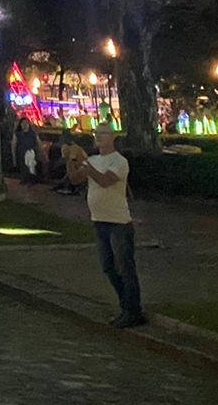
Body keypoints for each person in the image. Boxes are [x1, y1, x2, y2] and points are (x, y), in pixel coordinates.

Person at [72, 124, 144, 327]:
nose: (98, 136)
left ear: (112, 137)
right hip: (99, 220)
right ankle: (125, 306)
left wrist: (86, 164)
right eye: (97, 133)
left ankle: (133, 310)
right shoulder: (94, 160)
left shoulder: (119, 162)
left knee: (125, 267)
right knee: (108, 266)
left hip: (118, 222)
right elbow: (75, 178)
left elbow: (104, 181)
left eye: (103, 133)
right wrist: (71, 159)